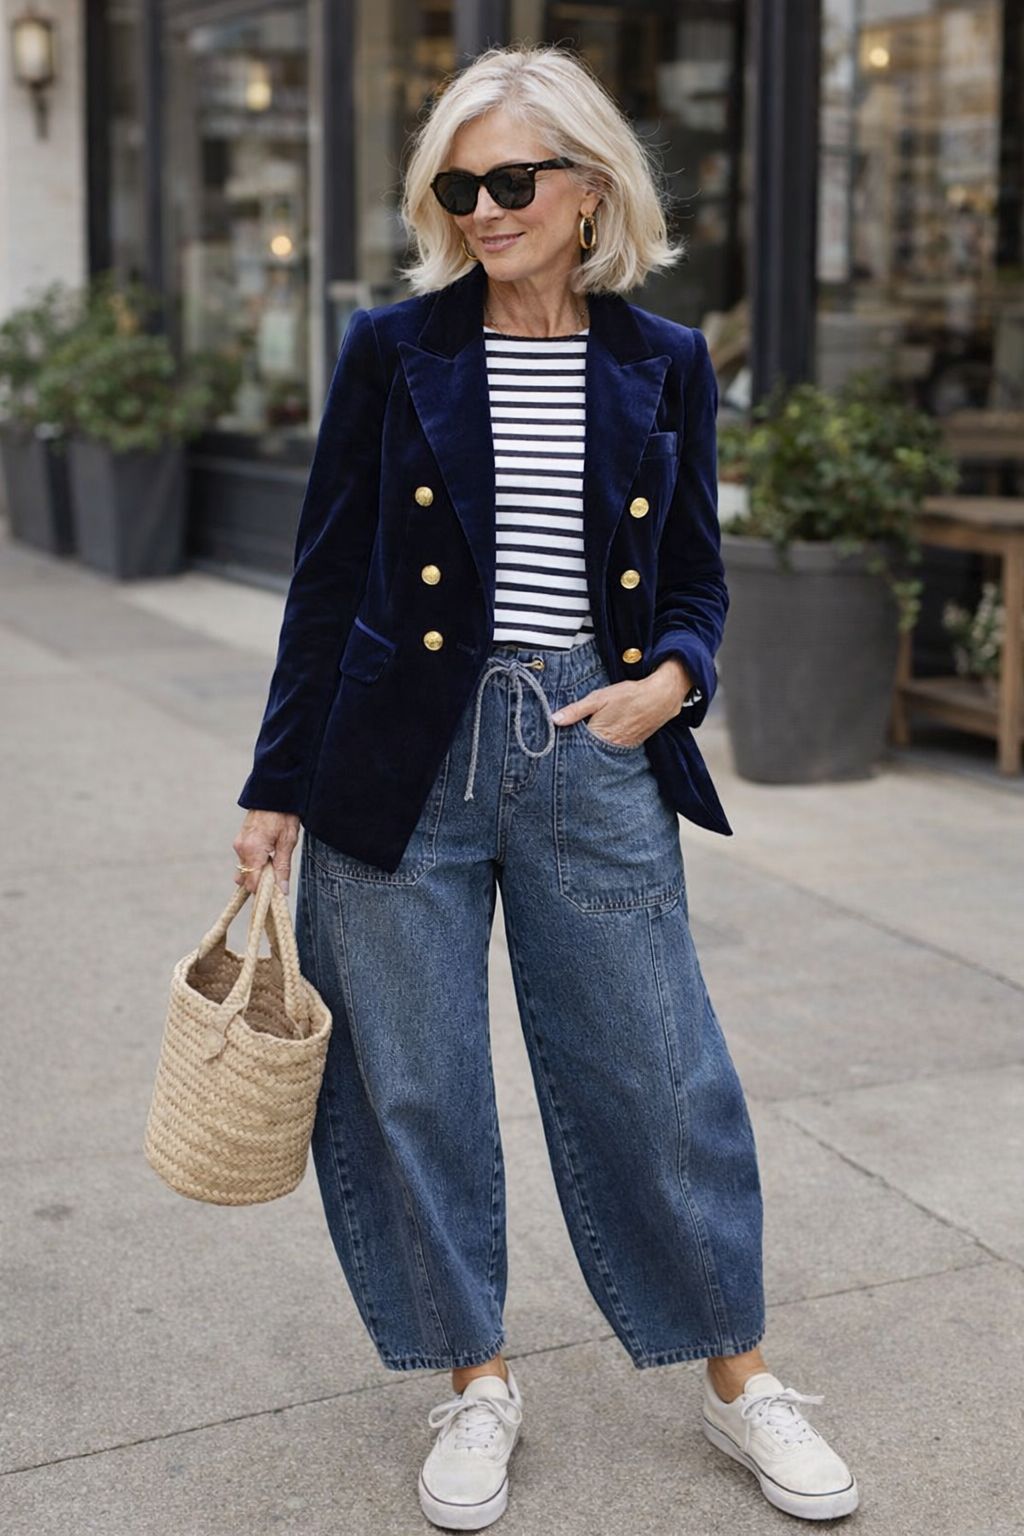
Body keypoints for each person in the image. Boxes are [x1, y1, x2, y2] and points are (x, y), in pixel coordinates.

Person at [233, 41, 859, 1531]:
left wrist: (670, 685)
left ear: (589, 189)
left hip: (591, 741)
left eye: (515, 179)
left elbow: (696, 582)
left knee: (659, 1075)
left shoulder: (666, 362)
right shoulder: (394, 349)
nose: (487, 207)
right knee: (417, 1088)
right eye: (461, 185)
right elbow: (326, 581)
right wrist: (275, 788)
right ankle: (476, 1382)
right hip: (400, 760)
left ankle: (742, 1378)